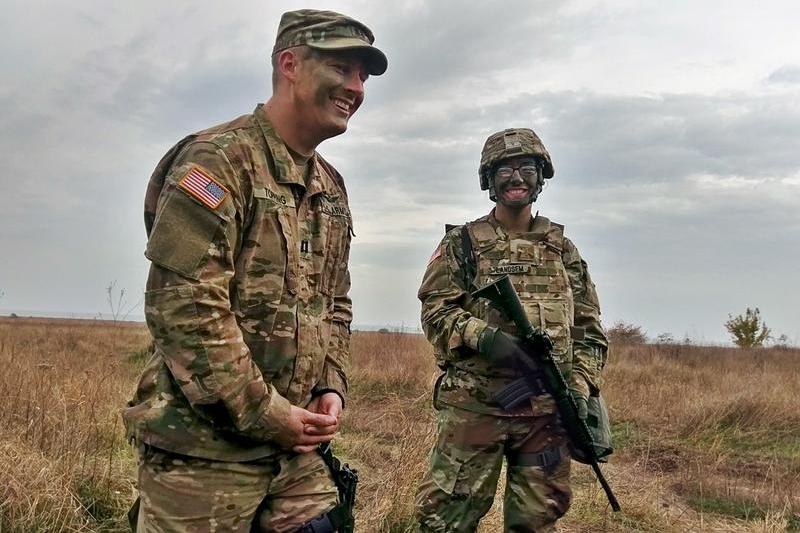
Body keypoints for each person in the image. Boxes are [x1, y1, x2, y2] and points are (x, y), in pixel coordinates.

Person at [122, 9, 387, 532]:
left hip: (294, 453)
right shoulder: (218, 162)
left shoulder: (330, 188)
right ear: (289, 64)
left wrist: (330, 385)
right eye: (342, 69)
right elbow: (184, 308)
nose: (355, 87)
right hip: (204, 452)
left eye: (363, 76)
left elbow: (334, 302)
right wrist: (269, 415)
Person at [415, 128, 609, 532]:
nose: (516, 177)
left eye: (526, 167)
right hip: (476, 409)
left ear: (541, 177)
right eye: (504, 169)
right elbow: (435, 311)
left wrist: (578, 386)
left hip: (544, 415)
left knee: (537, 522)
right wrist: (485, 338)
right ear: (489, 179)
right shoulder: (462, 244)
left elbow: (589, 331)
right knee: (445, 520)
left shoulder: (562, 249)